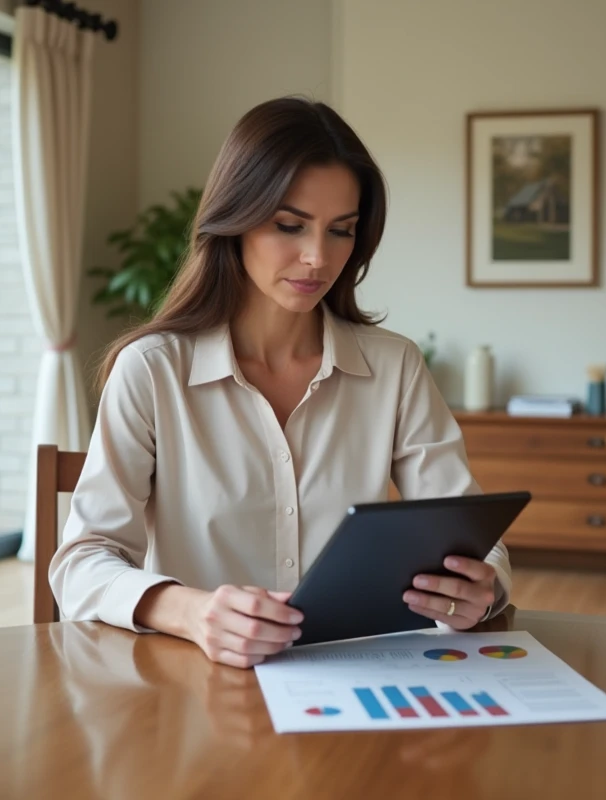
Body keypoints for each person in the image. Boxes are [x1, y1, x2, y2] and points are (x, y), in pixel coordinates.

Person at [50, 96, 512, 669]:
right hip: (195, 691)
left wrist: (481, 591)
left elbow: (472, 535)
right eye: (289, 225)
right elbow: (81, 563)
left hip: (357, 682)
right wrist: (192, 612)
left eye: (341, 231)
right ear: (235, 219)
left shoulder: (394, 368)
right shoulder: (152, 370)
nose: (318, 257)